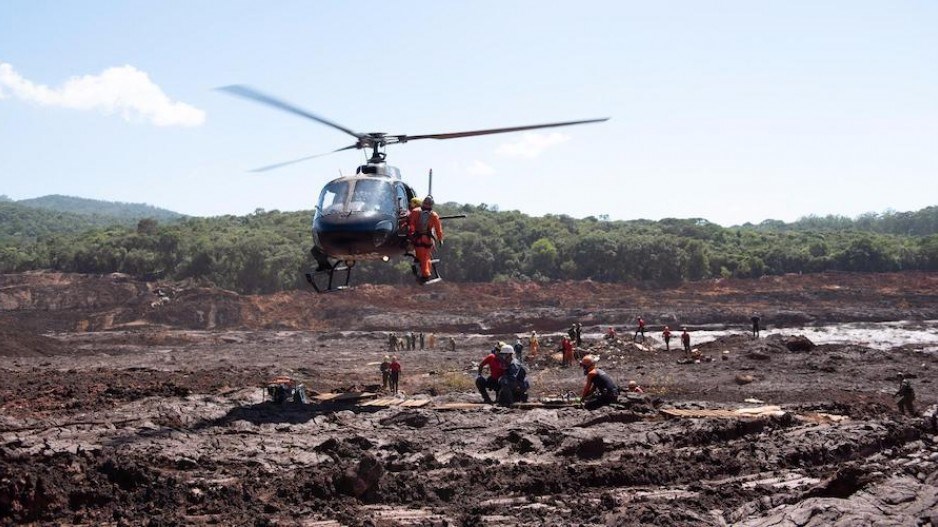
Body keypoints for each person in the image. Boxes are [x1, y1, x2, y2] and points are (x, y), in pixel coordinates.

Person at [408, 195, 444, 283]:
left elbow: (411, 224)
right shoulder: (434, 215)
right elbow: (438, 229)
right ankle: (426, 275)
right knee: (425, 257)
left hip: (417, 239)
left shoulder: (415, 211)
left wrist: (411, 234)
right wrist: (440, 239)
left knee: (423, 257)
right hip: (427, 240)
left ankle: (426, 274)